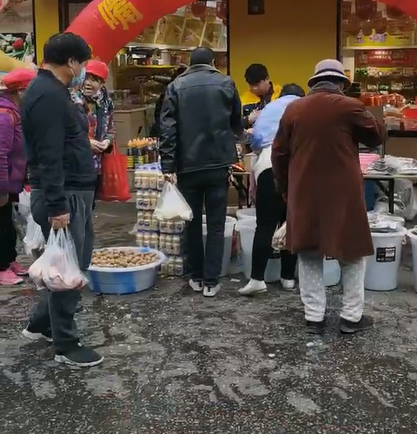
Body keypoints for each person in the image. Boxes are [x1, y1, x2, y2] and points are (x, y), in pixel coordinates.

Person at [272, 59, 385, 336]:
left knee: (309, 254)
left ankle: (314, 319)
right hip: (343, 193)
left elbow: (279, 153)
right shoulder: (348, 106)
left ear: (314, 83)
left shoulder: (293, 109)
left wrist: (285, 188)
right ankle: (351, 317)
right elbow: (376, 137)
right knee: (352, 253)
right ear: (341, 84)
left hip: (303, 191)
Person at [21, 33, 103, 368]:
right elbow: (49, 154)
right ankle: (66, 344)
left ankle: (41, 323)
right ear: (71, 62)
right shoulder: (50, 96)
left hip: (71, 190)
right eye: (82, 63)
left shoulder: (49, 92)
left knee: (63, 265)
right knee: (69, 270)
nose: (83, 70)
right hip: (64, 194)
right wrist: (57, 206)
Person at [159, 47, 242, 298]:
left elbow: (167, 129)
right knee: (216, 224)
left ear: (188, 64)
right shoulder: (226, 83)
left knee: (191, 224)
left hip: (187, 167)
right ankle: (211, 281)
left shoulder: (175, 87)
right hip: (218, 164)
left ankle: (195, 276)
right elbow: (235, 123)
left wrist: (168, 166)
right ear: (213, 62)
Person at [239, 84, 305, 297]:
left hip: (268, 167)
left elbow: (256, 140)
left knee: (265, 225)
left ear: (282, 95)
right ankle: (287, 277)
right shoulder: (305, 106)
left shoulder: (269, 108)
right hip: (297, 169)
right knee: (291, 223)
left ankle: (257, 279)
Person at [0, 68, 36, 285]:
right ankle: (2, 267)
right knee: (1, 223)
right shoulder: (4, 116)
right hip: (3, 183)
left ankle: (10, 259)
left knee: (9, 223)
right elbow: (0, 153)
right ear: (21, 91)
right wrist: (2, 188)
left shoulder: (15, 112)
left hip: (12, 181)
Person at [81, 60, 115, 193]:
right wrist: (87, 142)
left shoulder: (106, 101)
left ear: (102, 83)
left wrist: (107, 141)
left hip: (98, 163)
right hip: (80, 161)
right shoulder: (76, 100)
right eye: (86, 78)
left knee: (92, 202)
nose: (88, 83)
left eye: (93, 80)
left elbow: (111, 127)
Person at [150, 65, 187, 138]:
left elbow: (158, 113)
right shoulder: (177, 91)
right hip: (168, 131)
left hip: (163, 129)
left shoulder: (170, 88)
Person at [241, 63, 281, 129]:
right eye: (251, 85)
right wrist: (247, 120)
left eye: (257, 85)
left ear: (267, 79)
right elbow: (234, 125)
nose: (254, 88)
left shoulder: (281, 94)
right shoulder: (243, 99)